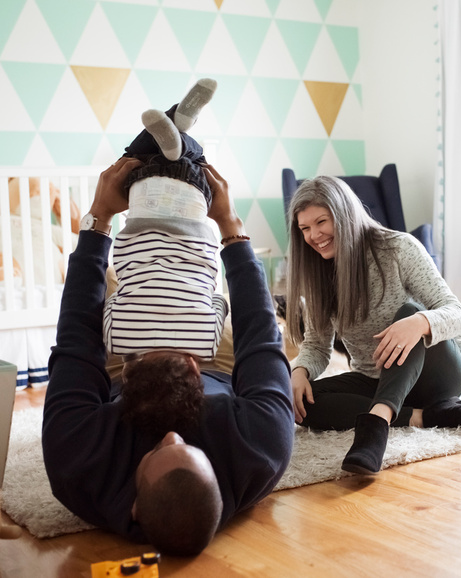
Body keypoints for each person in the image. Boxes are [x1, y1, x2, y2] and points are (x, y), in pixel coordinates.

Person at [42, 157, 294, 556]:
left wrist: (99, 219)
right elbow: (261, 337)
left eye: (156, 448)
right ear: (218, 476)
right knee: (208, 295)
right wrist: (230, 226)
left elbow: (75, 339)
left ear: (136, 506)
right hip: (213, 362)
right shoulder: (260, 450)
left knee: (113, 284)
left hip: (122, 365)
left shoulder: (76, 465)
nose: (172, 433)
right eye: (189, 444)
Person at [286, 176, 461, 475]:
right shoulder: (318, 271)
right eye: (305, 228)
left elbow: (457, 313)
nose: (314, 235)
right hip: (376, 379)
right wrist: (299, 372)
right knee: (300, 402)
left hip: (436, 375)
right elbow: (317, 345)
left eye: (321, 222)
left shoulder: (398, 248)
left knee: (410, 312)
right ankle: (426, 417)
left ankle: (376, 425)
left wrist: (419, 323)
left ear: (344, 216)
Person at [103, 78, 229, 360]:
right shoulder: (115, 341)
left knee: (196, 159)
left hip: (193, 212)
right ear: (129, 370)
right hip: (142, 206)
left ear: (194, 371)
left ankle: (182, 129)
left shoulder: (208, 345)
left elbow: (219, 302)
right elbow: (110, 301)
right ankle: (177, 127)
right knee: (137, 154)